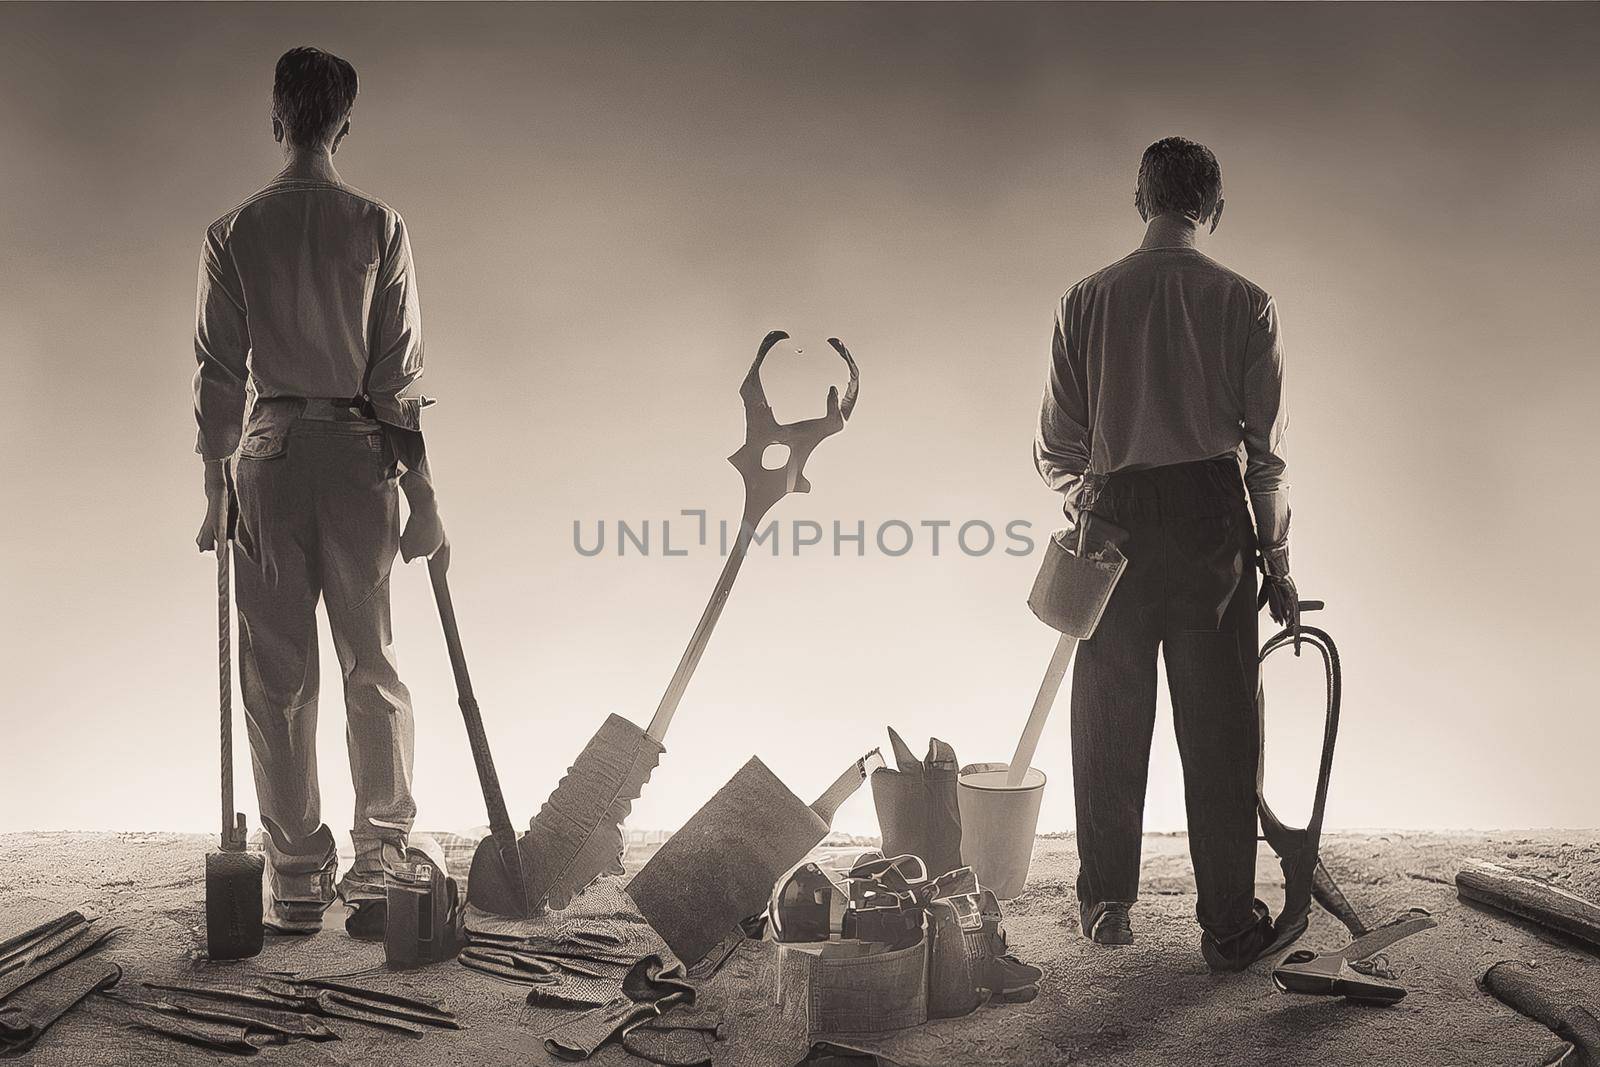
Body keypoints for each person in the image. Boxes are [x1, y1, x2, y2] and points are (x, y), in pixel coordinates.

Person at [1034, 136, 1302, 971]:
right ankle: (1227, 922)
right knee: (1221, 724)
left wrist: (1096, 500)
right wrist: (1280, 565)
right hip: (1212, 523)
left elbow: (1055, 449)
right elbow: (1266, 459)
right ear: (1213, 208)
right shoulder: (1247, 303)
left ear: (1140, 201)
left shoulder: (1086, 299)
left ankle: (1107, 904)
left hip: (1115, 517)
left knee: (1109, 714)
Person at [193, 46, 444, 934]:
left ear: (276, 119)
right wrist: (425, 497)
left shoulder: (232, 232)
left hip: (266, 458)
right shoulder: (379, 227)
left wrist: (214, 491)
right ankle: (381, 859)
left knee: (276, 672)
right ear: (344, 123)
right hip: (358, 457)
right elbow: (397, 382)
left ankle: (296, 872)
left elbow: (219, 380)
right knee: (368, 662)